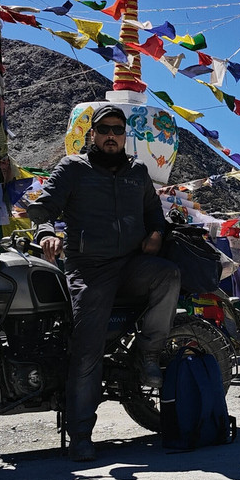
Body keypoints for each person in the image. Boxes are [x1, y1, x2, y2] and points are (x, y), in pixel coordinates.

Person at [27, 105, 181, 461]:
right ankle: (81, 434)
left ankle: (149, 354)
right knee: (87, 347)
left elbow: (153, 215)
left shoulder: (138, 172)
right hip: (89, 269)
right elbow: (45, 208)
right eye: (105, 129)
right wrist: (47, 232)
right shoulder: (73, 168)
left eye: (118, 130)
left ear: (125, 137)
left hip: (131, 265)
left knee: (168, 275)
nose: (111, 135)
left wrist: (156, 233)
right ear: (91, 134)